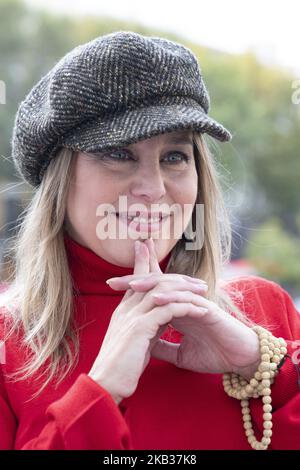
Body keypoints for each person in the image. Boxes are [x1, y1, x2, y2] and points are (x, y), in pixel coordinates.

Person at [0, 30, 299, 451]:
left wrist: (269, 367)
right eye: (120, 154)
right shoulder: (7, 345)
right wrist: (98, 396)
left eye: (174, 157)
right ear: (60, 181)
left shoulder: (266, 313)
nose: (153, 188)